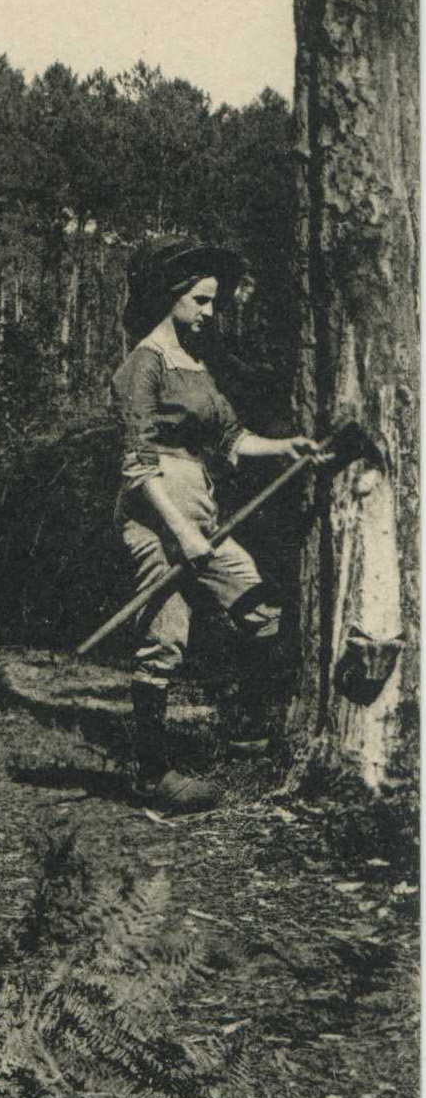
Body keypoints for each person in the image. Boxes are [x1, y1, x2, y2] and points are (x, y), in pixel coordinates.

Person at [110, 236, 315, 812]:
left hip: (202, 513)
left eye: (213, 303)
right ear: (171, 297)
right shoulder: (142, 366)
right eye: (200, 301)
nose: (208, 313)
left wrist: (285, 447)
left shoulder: (195, 364)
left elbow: (231, 437)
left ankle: (246, 734)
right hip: (157, 519)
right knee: (162, 641)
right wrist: (182, 535)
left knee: (260, 609)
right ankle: (152, 775)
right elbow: (138, 466)